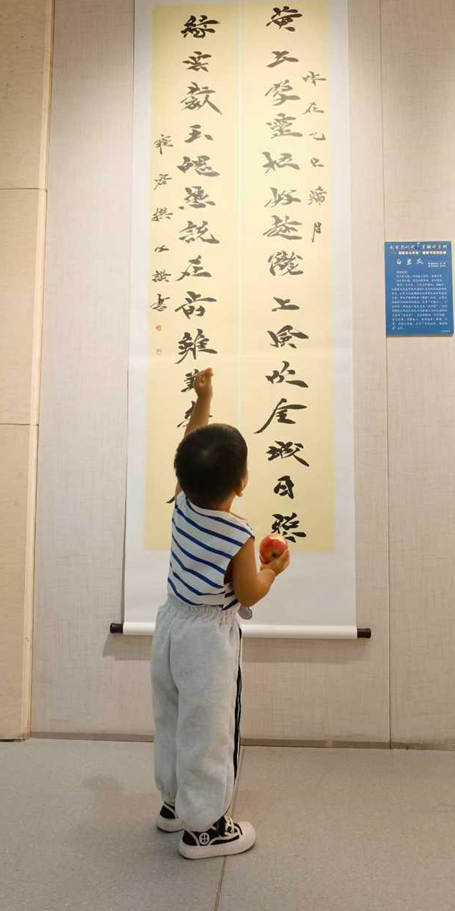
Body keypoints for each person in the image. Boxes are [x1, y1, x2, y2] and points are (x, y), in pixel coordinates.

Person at [150, 367, 291, 859]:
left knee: (172, 717)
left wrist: (203, 399)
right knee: (209, 729)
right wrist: (273, 569)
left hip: (171, 625)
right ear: (242, 482)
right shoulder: (238, 533)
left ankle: (173, 805)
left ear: (183, 475)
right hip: (208, 641)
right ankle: (205, 827)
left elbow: (191, 440)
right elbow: (248, 594)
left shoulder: (183, 503)